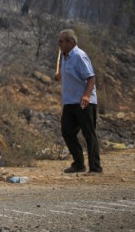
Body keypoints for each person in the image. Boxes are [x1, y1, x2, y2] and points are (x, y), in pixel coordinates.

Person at [54, 29, 102, 174]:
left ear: (71, 42)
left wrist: (87, 96)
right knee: (67, 131)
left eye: (61, 41)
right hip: (69, 101)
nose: (59, 44)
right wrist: (59, 75)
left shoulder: (80, 56)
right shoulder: (64, 56)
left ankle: (95, 167)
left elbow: (91, 77)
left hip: (84, 101)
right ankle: (79, 164)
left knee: (89, 133)